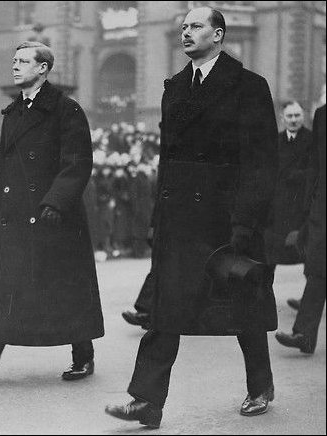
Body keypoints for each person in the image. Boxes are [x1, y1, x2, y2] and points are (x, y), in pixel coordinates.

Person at [105, 7, 278, 429]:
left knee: (241, 305)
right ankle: (146, 400)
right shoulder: (175, 88)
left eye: (196, 25)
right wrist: (157, 220)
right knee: (165, 310)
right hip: (180, 218)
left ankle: (260, 385)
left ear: (218, 35)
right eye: (183, 26)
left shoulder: (249, 86)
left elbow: (261, 162)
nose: (186, 31)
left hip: (228, 217)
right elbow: (169, 160)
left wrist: (245, 222)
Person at [0, 41, 104, 386]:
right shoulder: (13, 113)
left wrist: (55, 202)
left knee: (65, 286)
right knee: (2, 284)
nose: (15, 66)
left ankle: (83, 354)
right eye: (14, 60)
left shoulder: (65, 109)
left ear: (43, 68)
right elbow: (5, 171)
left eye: (24, 61)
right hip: (16, 216)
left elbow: (77, 163)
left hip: (54, 216)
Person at [275, 104, 326, 354]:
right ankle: (304, 334)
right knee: (318, 271)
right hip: (322, 208)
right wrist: (310, 207)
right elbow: (316, 164)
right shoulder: (322, 115)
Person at [265, 101, 314, 312]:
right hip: (279, 209)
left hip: (303, 208)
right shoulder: (275, 142)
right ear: (282, 118)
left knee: (311, 260)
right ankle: (262, 300)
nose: (293, 120)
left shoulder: (312, 140)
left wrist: (298, 176)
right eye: (289, 116)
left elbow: (316, 172)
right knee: (268, 258)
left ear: (303, 117)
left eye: (297, 115)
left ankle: (310, 300)